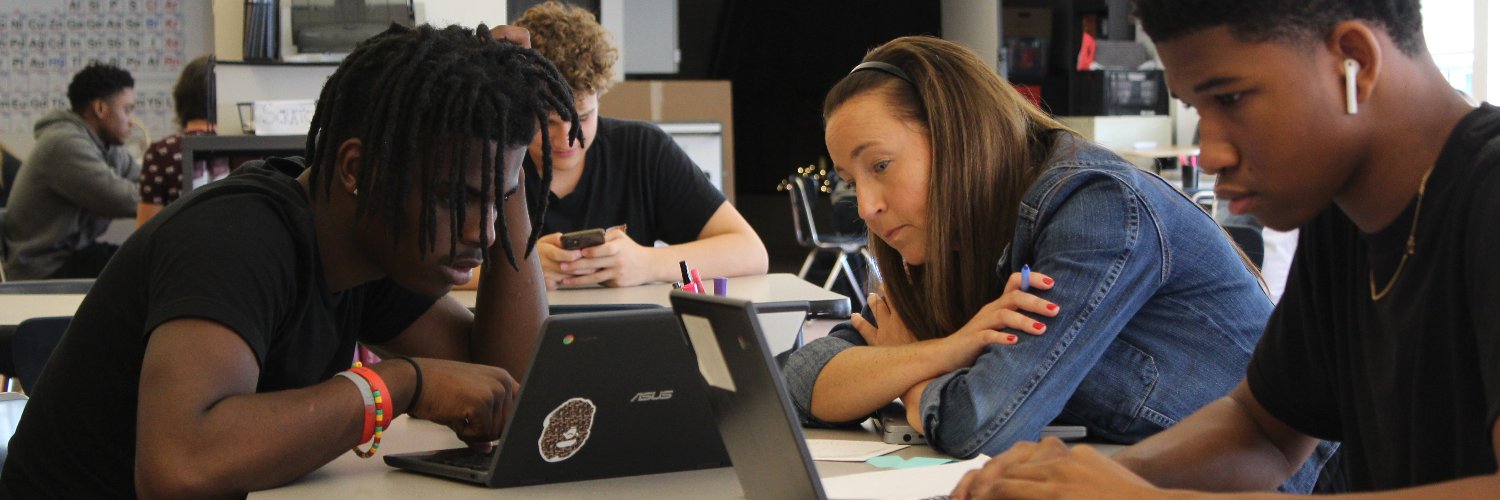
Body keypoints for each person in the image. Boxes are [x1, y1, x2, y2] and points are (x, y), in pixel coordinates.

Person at [0, 24, 580, 497]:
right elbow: (180, 466)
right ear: (357, 171)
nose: (483, 233)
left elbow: (510, 387)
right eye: (459, 198)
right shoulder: (237, 238)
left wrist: (512, 171)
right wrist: (397, 384)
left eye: (495, 201)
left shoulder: (368, 247)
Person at [951, 0, 1500, 497]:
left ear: (1353, 59)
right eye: (1196, 107)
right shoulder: (1343, 215)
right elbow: (1263, 430)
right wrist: (1084, 483)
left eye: (1230, 99)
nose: (1209, 152)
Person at [782, 35, 1330, 491]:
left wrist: (906, 374)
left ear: (957, 139)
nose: (868, 206)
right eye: (852, 183)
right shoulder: (943, 238)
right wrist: (945, 351)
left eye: (881, 165)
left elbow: (981, 423)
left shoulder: (1095, 205)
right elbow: (799, 378)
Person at [511, 1, 767, 290]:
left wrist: (646, 263)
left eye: (582, 117)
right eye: (546, 122)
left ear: (599, 98)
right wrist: (521, 270)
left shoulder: (643, 151)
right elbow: (450, 268)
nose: (566, 138)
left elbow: (750, 252)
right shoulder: (491, 159)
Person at [3, 62, 140, 280]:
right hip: (45, 268)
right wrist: (170, 195)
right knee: (142, 272)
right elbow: (120, 199)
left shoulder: (107, 146)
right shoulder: (64, 143)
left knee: (145, 263)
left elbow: (144, 182)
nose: (132, 121)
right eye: (127, 109)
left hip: (76, 254)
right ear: (100, 109)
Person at [136, 55, 226, 226]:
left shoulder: (161, 152)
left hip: (177, 249)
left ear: (181, 97)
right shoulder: (247, 148)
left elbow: (144, 230)